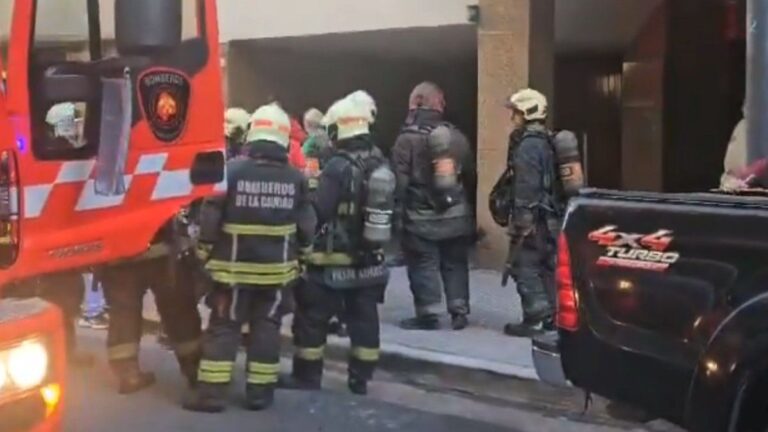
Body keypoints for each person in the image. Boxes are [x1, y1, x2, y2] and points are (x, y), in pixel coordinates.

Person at [183, 103, 316, 412]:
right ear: (283, 139)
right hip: (276, 274)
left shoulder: (231, 171)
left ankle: (211, 395)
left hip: (232, 273)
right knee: (267, 329)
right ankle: (260, 394)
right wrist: (304, 255)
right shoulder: (296, 178)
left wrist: (203, 250)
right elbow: (306, 223)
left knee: (224, 327)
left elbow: (210, 215)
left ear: (253, 134)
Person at [287, 97, 391, 396]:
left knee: (311, 320)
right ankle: (360, 379)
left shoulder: (336, 167)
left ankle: (307, 377)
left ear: (338, 130)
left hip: (332, 262)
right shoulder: (379, 161)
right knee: (364, 321)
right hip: (370, 262)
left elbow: (319, 210)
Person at [392, 82, 475, 331]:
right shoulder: (458, 137)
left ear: (417, 102)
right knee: (455, 263)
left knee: (423, 263)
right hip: (457, 216)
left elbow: (399, 183)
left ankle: (428, 315)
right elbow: (470, 175)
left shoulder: (406, 140)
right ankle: (459, 311)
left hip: (420, 219)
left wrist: (396, 217)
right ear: (440, 105)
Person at [100, 218, 202, 394]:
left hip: (119, 253)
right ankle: (195, 371)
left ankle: (128, 374)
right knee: (179, 310)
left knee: (123, 312)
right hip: (162, 250)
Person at [501, 88, 562, 337]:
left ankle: (535, 318)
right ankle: (553, 316)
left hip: (534, 218)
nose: (512, 117)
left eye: (515, 112)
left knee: (523, 265)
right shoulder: (548, 140)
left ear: (527, 112)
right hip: (551, 217)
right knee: (547, 266)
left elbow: (526, 184)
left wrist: (522, 221)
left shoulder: (527, 145)